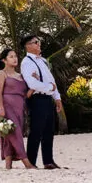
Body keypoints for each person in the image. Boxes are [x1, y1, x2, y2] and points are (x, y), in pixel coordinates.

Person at [19, 34, 65, 169]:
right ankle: (31, 162)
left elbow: (51, 79)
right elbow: (32, 82)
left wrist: (57, 97)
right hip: (36, 99)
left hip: (47, 98)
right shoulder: (27, 62)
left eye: (38, 42)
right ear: (27, 46)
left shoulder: (43, 61)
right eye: (35, 42)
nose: (39, 44)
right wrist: (50, 87)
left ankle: (48, 161)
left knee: (48, 130)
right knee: (36, 131)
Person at [0, 48, 36, 170]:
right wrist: (0, 108)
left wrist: (34, 82)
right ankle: (26, 162)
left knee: (8, 135)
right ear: (4, 60)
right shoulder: (1, 74)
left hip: (20, 108)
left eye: (16, 56)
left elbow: (26, 94)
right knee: (14, 134)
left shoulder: (21, 76)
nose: (15, 58)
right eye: (11, 56)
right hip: (6, 108)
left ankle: (8, 164)